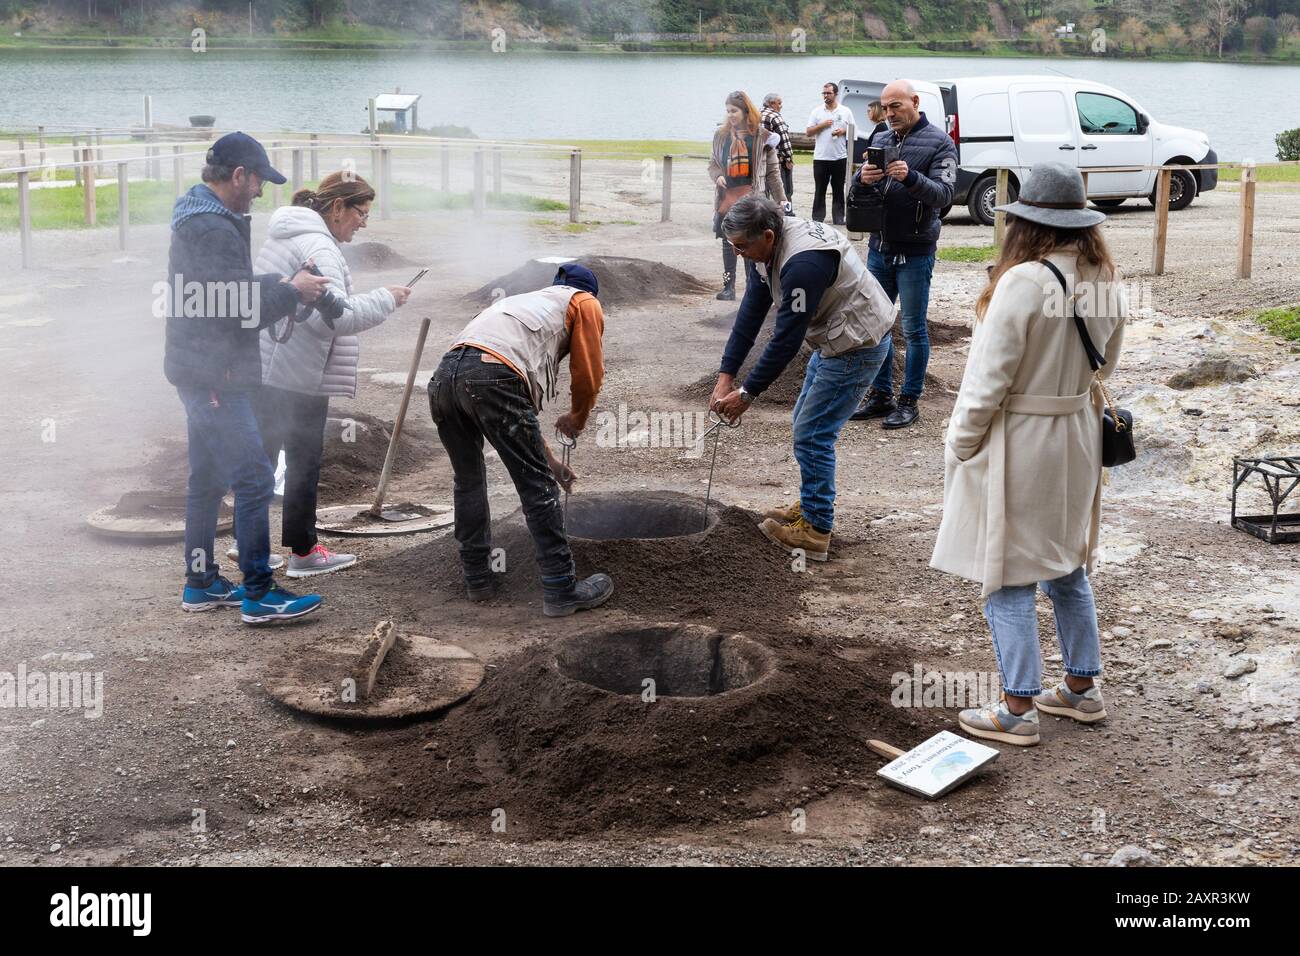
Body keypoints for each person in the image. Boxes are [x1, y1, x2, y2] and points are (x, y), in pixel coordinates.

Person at [930, 163, 1127, 747]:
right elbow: (1106, 365)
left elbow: (988, 380)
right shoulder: (1104, 275)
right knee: (1066, 560)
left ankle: (1017, 707)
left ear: (1025, 223)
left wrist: (961, 443)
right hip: (1077, 432)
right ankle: (1080, 689)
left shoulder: (1023, 282)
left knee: (1007, 571)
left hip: (1022, 439)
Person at [165, 131, 331, 624]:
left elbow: (221, 291)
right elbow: (233, 309)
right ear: (239, 175)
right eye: (259, 180)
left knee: (206, 479)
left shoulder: (197, 215)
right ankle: (260, 592)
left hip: (196, 368)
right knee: (255, 477)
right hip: (218, 374)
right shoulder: (216, 229)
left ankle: (201, 582)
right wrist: (294, 292)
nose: (261, 190)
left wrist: (276, 284)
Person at [711, 195, 894, 562]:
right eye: (733, 247)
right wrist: (725, 375)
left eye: (742, 246)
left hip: (855, 344)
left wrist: (747, 394)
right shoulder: (766, 248)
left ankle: (815, 530)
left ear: (767, 234)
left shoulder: (803, 263)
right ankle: (811, 506)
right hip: (834, 339)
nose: (739, 253)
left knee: (812, 433)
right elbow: (751, 312)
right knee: (805, 424)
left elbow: (786, 339)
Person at [428, 263, 614, 618]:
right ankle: (561, 587)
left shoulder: (521, 304)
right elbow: (588, 372)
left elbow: (516, 417)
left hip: (445, 379)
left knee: (467, 481)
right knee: (537, 488)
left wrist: (553, 462)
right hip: (491, 376)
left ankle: (477, 578)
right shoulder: (583, 301)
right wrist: (578, 418)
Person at [250, 171, 412, 578]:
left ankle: (248, 545)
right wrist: (387, 298)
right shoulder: (318, 244)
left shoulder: (287, 231)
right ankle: (304, 553)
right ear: (337, 207)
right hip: (297, 369)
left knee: (261, 458)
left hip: (267, 362)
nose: (364, 222)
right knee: (304, 459)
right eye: (361, 212)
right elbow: (335, 317)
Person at [849, 79, 957, 430]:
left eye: (896, 106)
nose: (889, 113)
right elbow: (857, 187)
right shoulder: (879, 138)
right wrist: (861, 179)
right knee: (875, 325)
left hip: (915, 251)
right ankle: (881, 396)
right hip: (879, 247)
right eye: (885, 107)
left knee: (912, 329)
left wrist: (911, 178)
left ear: (914, 101)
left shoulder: (941, 143)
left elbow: (944, 195)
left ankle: (909, 401)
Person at [709, 91, 787, 302]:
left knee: (750, 245)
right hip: (727, 199)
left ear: (745, 111)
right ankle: (728, 286)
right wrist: (717, 177)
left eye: (734, 111)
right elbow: (713, 164)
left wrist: (781, 198)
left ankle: (751, 288)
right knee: (728, 245)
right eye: (727, 112)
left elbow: (772, 171)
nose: (730, 115)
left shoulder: (762, 137)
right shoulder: (721, 135)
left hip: (751, 200)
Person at [804, 81, 854, 226]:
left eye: (828, 93)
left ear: (836, 94)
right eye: (824, 93)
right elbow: (808, 132)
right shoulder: (817, 111)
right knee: (820, 188)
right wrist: (822, 125)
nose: (825, 96)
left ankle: (839, 217)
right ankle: (817, 218)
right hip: (821, 157)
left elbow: (853, 130)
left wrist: (843, 131)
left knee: (838, 189)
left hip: (839, 157)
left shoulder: (845, 111)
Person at [761, 92, 796, 205]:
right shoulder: (775, 116)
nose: (781, 106)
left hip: (760, 160)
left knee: (764, 191)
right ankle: (786, 215)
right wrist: (789, 158)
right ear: (771, 103)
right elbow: (784, 139)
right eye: (779, 103)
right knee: (784, 191)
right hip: (776, 161)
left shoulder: (756, 114)